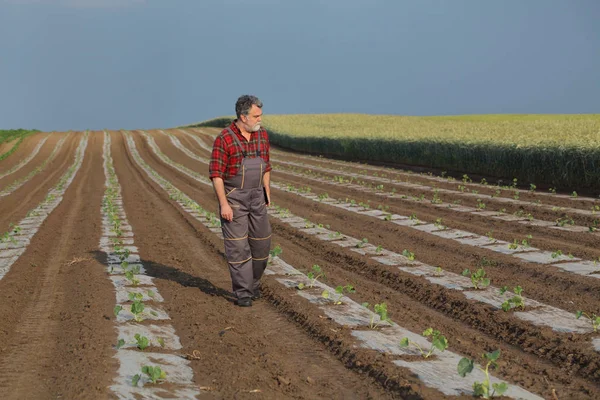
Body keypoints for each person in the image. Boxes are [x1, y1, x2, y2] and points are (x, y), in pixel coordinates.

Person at [209, 95, 272, 307]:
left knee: (262, 245)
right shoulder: (224, 138)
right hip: (234, 198)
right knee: (238, 248)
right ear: (243, 117)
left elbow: (266, 166)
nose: (260, 119)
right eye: (256, 116)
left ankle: (253, 284)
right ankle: (243, 293)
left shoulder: (262, 135)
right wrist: (224, 204)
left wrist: (266, 192)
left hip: (257, 197)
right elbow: (216, 174)